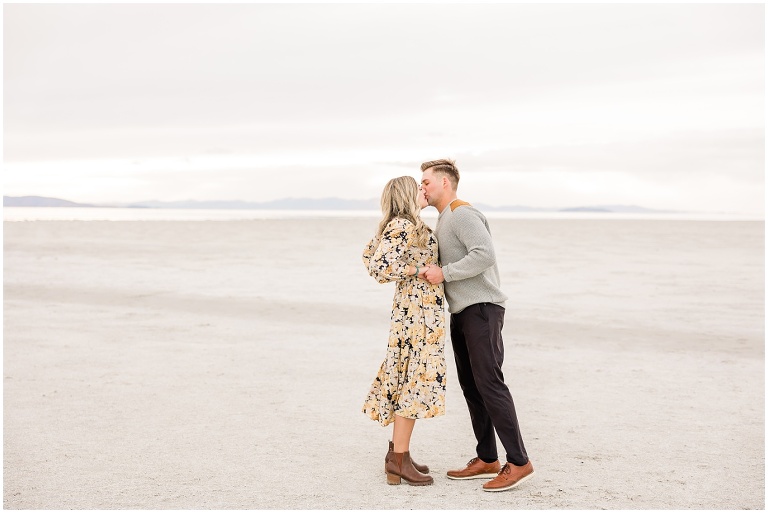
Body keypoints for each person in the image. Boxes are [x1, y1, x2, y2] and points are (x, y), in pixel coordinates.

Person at [420, 159, 534, 492]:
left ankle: (519, 462)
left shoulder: (462, 213)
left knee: (490, 384)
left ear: (444, 182)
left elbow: (484, 254)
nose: (421, 187)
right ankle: (487, 458)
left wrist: (445, 273)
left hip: (482, 308)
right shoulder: (445, 219)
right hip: (463, 311)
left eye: (425, 181)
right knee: (472, 386)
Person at [362, 175, 446, 487]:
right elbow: (379, 267)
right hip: (418, 312)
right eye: (419, 188)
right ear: (408, 195)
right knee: (415, 379)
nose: (424, 192)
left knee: (408, 375)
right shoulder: (404, 225)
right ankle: (398, 459)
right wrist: (418, 270)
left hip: (410, 310)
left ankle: (398, 455)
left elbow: (369, 255)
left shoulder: (397, 224)